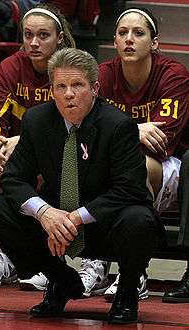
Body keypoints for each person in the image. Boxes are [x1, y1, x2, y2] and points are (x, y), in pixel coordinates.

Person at [0, 47, 163, 324]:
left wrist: (76, 218)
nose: (68, 94)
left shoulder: (118, 125)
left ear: (95, 87)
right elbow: (14, 179)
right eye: (61, 86)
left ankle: (127, 291)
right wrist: (44, 213)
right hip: (53, 223)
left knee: (139, 218)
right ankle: (60, 279)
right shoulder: (36, 120)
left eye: (77, 85)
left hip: (102, 224)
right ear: (51, 89)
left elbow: (130, 189)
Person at [0, 2, 108, 296]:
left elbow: (75, 122)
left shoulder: (72, 66)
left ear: (59, 38)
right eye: (28, 35)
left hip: (68, 151)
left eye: (43, 35)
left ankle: (59, 259)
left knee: (56, 162)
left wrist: (17, 142)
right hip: (22, 154)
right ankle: (6, 254)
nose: (34, 42)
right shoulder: (11, 65)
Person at [98, 7, 189, 302]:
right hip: (118, 160)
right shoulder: (103, 74)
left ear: (154, 43)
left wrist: (116, 135)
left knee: (134, 164)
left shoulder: (173, 74)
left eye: (138, 33)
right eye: (123, 33)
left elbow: (162, 141)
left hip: (168, 165)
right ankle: (95, 262)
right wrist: (134, 130)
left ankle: (134, 271)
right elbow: (86, 131)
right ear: (114, 41)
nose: (129, 39)